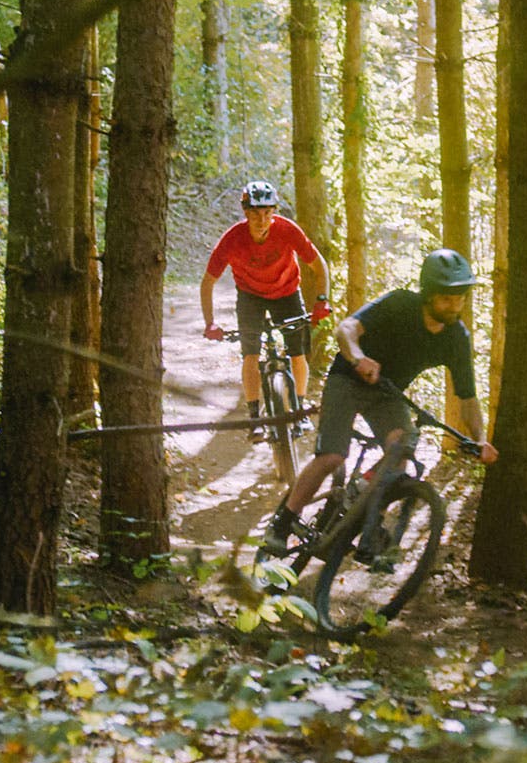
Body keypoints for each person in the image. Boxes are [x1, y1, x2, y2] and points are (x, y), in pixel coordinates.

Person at [261, 249, 499, 552]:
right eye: (447, 299)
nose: (455, 306)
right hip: (347, 378)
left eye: (461, 298)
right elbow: (346, 329)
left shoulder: (456, 338)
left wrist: (479, 439)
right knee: (332, 456)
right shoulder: (400, 303)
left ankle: (368, 522)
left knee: (401, 451)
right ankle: (282, 522)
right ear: (428, 295)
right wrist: (359, 358)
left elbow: (467, 398)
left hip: (387, 393)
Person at [201, 181, 331, 440]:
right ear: (245, 213)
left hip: (286, 292)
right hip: (250, 297)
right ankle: (255, 418)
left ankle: (299, 409)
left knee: (297, 352)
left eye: (267, 213)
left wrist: (321, 301)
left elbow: (319, 265)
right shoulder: (232, 239)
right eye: (255, 213)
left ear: (274, 212)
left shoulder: (287, 230)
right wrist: (210, 323)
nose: (262, 220)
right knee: (251, 354)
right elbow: (208, 283)